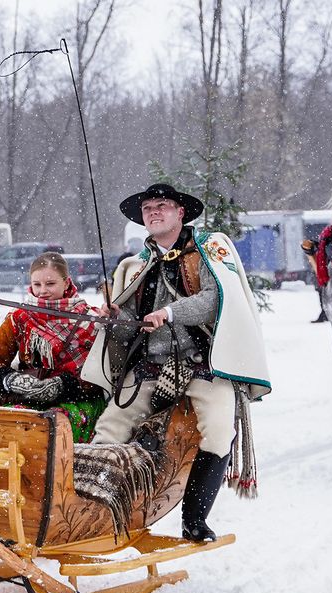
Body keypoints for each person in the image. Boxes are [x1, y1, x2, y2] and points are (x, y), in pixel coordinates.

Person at [81, 183, 270, 542]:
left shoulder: (210, 251)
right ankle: (94, 512)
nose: (153, 211)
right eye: (148, 207)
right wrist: (116, 317)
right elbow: (127, 332)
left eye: (162, 205)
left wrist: (168, 312)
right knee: (108, 429)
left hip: (203, 366)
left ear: (180, 213)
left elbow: (215, 301)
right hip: (149, 369)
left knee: (218, 432)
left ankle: (194, 520)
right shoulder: (134, 267)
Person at [0, 251, 107, 442]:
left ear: (66, 282)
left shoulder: (91, 320)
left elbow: (101, 374)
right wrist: (13, 380)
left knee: (51, 428)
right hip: (25, 396)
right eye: (37, 284)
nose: (42, 291)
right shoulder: (20, 317)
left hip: (76, 399)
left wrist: (62, 385)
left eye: (50, 284)